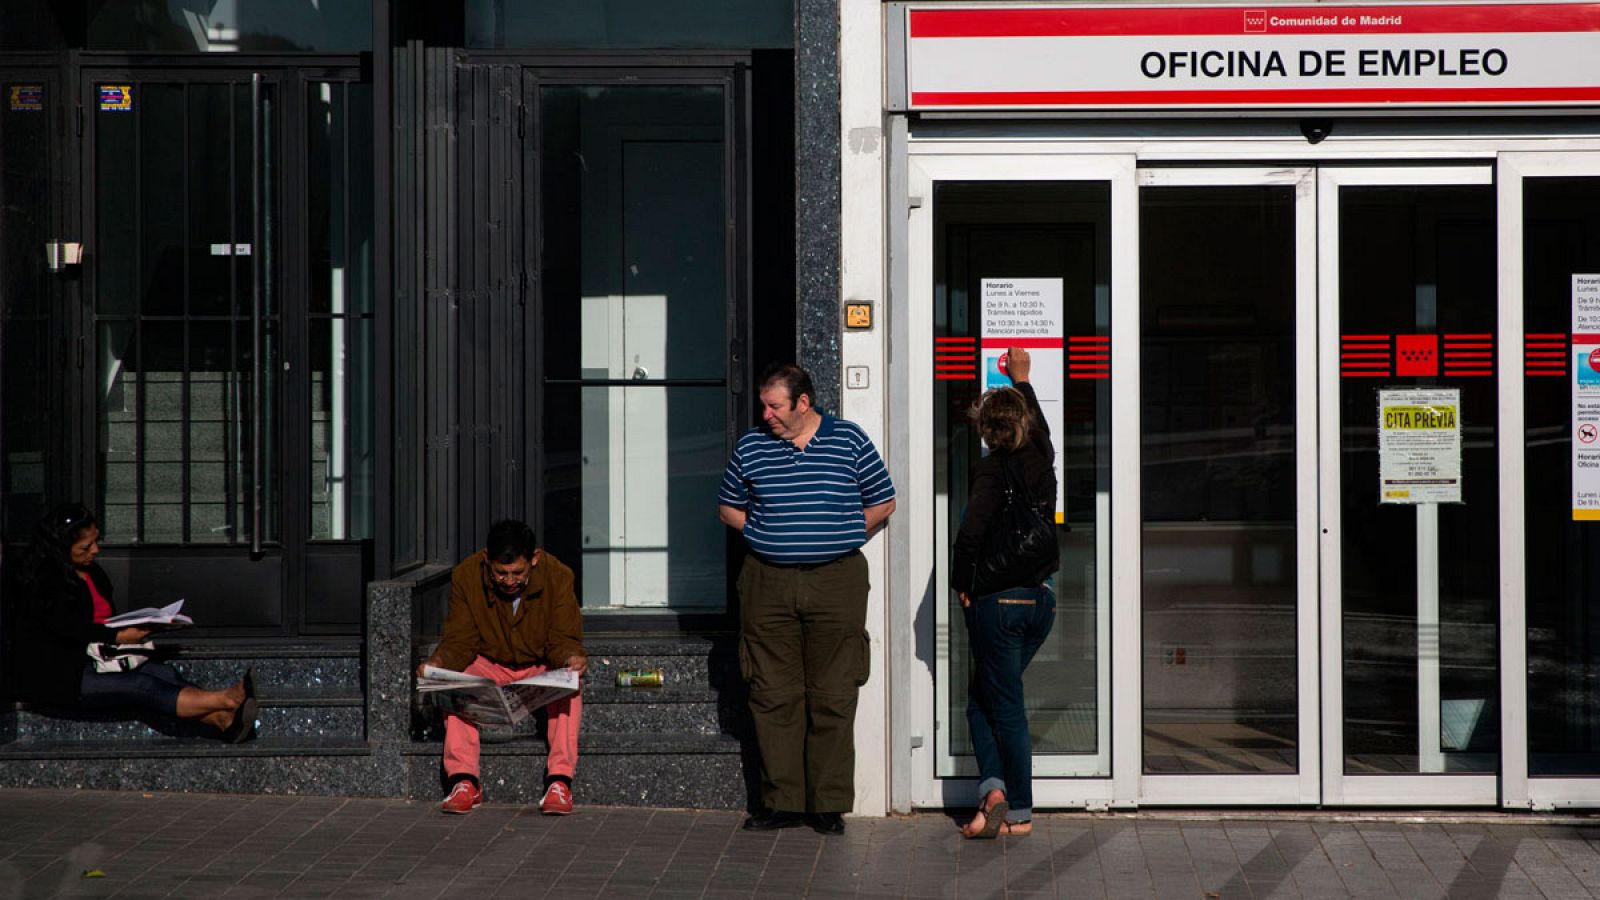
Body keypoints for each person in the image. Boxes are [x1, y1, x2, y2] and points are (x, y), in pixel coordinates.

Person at [718, 363, 896, 835]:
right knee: (772, 692)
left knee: (834, 692)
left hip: (836, 579)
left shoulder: (849, 440)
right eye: (763, 404)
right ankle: (782, 803)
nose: (766, 414)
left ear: (803, 402)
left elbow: (884, 499)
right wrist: (757, 531)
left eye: (774, 405)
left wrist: (846, 532)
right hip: (767, 580)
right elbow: (728, 507)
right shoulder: (752, 446)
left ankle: (827, 803)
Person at [6, 503, 257, 741]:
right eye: (85, 546)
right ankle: (226, 700)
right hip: (61, 674)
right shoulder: (43, 580)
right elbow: (66, 626)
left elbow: (104, 619)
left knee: (163, 673)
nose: (95, 550)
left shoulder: (93, 573)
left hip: (102, 657)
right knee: (142, 685)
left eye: (96, 541)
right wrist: (116, 636)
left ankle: (224, 721)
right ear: (62, 548)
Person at [949, 347, 1058, 839]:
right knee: (985, 699)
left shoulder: (990, 472)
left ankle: (1016, 810)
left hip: (998, 602)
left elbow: (971, 535)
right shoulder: (1042, 461)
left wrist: (962, 585)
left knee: (1002, 704)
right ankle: (993, 791)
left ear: (985, 432)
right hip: (1040, 601)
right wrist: (1023, 379)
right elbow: (1041, 430)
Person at [416, 519, 586, 816]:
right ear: (486, 560)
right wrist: (439, 664)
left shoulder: (558, 576)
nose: (509, 580)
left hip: (540, 662)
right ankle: (464, 780)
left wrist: (571, 658)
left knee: (570, 686)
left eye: (518, 573)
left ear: (534, 559)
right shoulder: (466, 576)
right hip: (490, 661)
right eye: (501, 573)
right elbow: (460, 639)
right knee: (457, 683)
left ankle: (560, 781)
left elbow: (562, 637)